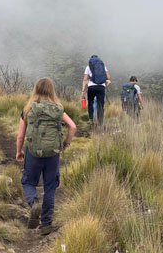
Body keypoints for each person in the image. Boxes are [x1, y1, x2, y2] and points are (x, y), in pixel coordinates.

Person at [16, 78, 76, 236]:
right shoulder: (58, 109)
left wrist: (19, 151)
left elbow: (20, 136)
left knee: (28, 181)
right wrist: (66, 144)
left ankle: (34, 202)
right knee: (50, 187)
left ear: (36, 89)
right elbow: (73, 126)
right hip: (53, 154)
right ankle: (46, 225)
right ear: (52, 91)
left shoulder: (29, 108)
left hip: (33, 153)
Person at [81, 55, 111, 127]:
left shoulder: (88, 67)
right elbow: (108, 77)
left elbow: (85, 79)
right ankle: (100, 122)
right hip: (101, 87)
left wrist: (83, 91)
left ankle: (91, 120)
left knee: (90, 102)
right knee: (100, 104)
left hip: (91, 87)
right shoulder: (103, 66)